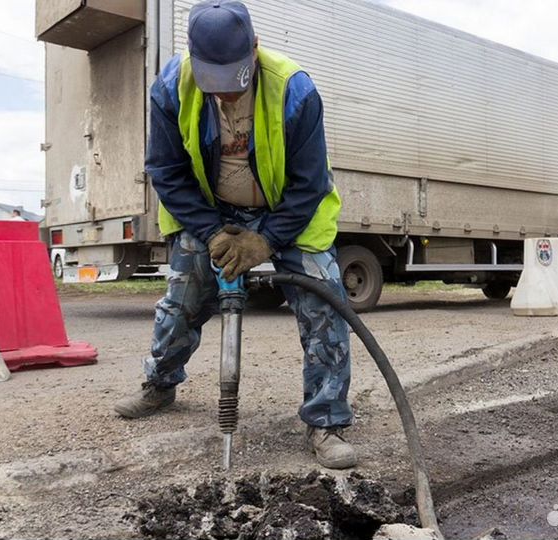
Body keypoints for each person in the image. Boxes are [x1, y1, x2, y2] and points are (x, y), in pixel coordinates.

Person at [114, 0, 356, 469]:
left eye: (233, 83)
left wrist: (266, 239)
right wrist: (209, 232)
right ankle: (159, 384)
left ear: (256, 49)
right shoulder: (172, 87)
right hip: (212, 210)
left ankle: (326, 419)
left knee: (325, 303)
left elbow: (309, 183)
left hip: (286, 211)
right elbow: (165, 171)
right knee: (183, 298)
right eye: (215, 85)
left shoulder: (295, 91)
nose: (224, 97)